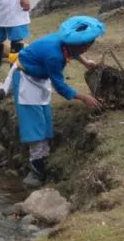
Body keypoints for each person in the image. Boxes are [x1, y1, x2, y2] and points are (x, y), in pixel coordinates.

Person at [7, 15, 105, 188]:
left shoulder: (65, 43)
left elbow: (73, 52)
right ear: (80, 44)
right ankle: (36, 167)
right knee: (34, 122)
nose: (89, 47)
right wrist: (84, 97)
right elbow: (59, 86)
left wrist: (85, 62)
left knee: (44, 119)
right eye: (88, 45)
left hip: (39, 79)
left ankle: (44, 154)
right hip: (25, 80)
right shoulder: (54, 55)